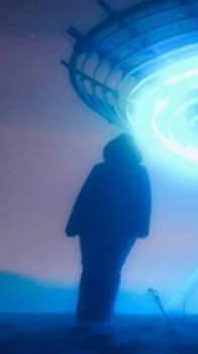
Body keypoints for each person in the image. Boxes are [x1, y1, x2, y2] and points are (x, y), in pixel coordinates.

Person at [65, 133, 151, 325]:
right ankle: (101, 315)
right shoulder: (138, 172)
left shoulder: (101, 170)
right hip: (122, 230)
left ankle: (87, 315)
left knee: (91, 270)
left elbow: (84, 198)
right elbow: (144, 202)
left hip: (93, 228)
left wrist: (73, 224)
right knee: (111, 271)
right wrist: (141, 228)